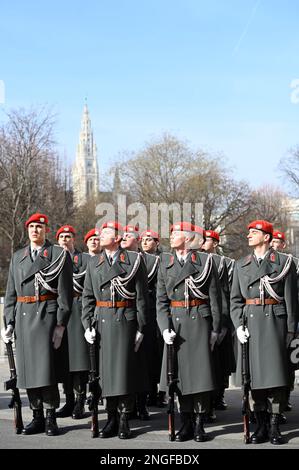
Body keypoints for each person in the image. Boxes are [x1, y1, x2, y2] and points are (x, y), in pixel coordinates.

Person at [1, 213, 73, 436]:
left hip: (47, 317)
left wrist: (61, 324)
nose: (35, 230)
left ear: (46, 230)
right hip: (23, 317)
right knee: (28, 371)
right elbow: (11, 293)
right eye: (32, 226)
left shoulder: (58, 254)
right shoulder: (18, 257)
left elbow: (65, 294)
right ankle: (37, 416)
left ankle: (51, 417)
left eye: (39, 227)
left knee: (46, 370)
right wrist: (9, 322)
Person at [230, 220, 299, 445]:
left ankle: (274, 425)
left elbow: (291, 300)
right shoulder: (241, 264)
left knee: (276, 378)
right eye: (248, 232)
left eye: (254, 232)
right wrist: (238, 325)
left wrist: (290, 331)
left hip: (275, 323)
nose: (249, 235)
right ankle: (260, 424)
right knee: (254, 378)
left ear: (267, 237)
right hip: (250, 323)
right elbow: (235, 301)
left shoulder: (284, 262)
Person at [81, 221, 149, 439]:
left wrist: (140, 326)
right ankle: (110, 417)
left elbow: (141, 297)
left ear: (118, 237)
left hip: (125, 319)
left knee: (123, 372)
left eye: (107, 232)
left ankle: (123, 418)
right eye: (101, 232)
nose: (101, 235)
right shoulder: (94, 262)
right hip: (102, 320)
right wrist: (87, 324)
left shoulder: (133, 260)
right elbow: (88, 296)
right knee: (104, 373)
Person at [157, 222, 221, 442]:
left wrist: (215, 329)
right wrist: (164, 328)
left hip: (199, 320)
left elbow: (214, 297)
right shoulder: (165, 262)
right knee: (179, 375)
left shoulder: (205, 261)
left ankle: (199, 423)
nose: (172, 237)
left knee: (200, 375)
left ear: (186, 238)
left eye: (175, 234)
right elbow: (161, 301)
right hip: (176, 323)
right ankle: (185, 422)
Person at [55, 225, 90, 420]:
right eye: (61, 237)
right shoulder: (54, 259)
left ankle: (79, 401)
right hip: (60, 312)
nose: (65, 240)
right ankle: (68, 400)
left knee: (79, 360)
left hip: (77, 308)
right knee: (63, 360)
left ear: (74, 239)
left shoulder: (84, 259)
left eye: (68, 237)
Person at [202, 230, 236, 414]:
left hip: (221, 315)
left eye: (207, 240)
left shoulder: (226, 264)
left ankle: (219, 395)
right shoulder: (197, 262)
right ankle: (206, 400)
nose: (203, 243)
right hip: (203, 315)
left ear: (215, 243)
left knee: (221, 359)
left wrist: (226, 322)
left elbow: (228, 294)